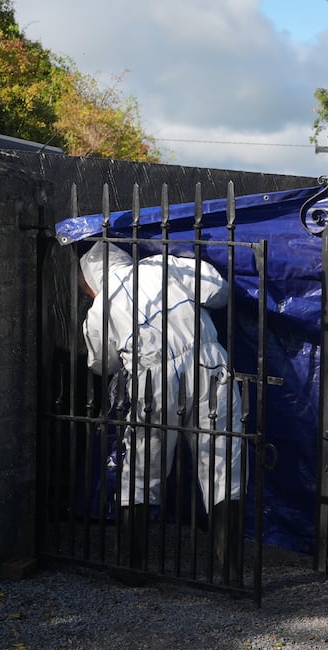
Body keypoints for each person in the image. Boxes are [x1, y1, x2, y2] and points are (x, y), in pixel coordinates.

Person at [78, 241, 243, 580]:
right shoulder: (162, 265)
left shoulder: (101, 306)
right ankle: (232, 572)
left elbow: (101, 364)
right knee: (222, 461)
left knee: (141, 467)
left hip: (151, 376)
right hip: (208, 363)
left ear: (92, 279)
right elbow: (219, 292)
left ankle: (131, 566)